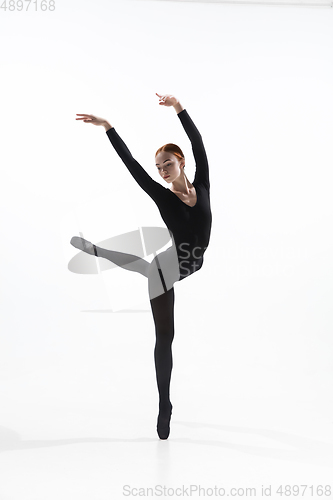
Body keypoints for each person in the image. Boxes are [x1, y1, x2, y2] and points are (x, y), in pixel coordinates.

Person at [70, 93, 212, 439]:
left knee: (142, 265)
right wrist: (109, 128)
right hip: (168, 268)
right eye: (159, 167)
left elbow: (198, 141)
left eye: (168, 163)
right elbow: (132, 165)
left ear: (180, 161)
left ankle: (98, 251)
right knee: (165, 336)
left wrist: (179, 108)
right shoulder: (162, 195)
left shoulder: (203, 184)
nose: (163, 171)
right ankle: (165, 403)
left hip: (189, 262)